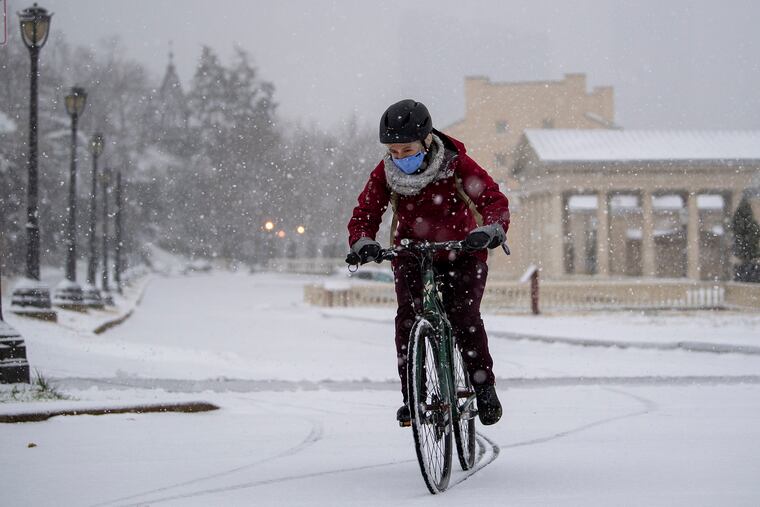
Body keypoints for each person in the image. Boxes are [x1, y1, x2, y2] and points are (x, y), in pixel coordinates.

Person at [347, 99, 510, 426]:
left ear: (426, 141)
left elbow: (492, 199)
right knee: (407, 319)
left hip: (462, 252)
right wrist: (363, 240)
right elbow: (365, 213)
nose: (400, 158)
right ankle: (414, 397)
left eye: (407, 150)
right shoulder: (385, 173)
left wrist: (491, 229)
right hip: (411, 253)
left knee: (463, 314)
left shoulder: (456, 164)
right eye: (393, 151)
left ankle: (484, 387)